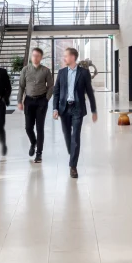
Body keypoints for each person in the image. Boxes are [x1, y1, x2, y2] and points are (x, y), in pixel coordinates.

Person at [52, 48, 97, 179]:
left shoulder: (84, 73)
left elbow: (89, 91)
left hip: (78, 108)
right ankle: (73, 153)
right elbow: (56, 92)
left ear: (72, 57)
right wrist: (55, 109)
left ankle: (73, 166)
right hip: (64, 108)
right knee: (67, 136)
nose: (64, 58)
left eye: (65, 56)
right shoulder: (61, 73)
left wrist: (94, 110)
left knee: (75, 136)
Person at [17, 47, 53, 163]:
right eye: (33, 55)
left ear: (41, 57)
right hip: (29, 101)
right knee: (28, 127)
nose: (35, 57)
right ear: (31, 57)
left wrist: (46, 99)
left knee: (40, 128)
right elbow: (21, 86)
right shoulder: (25, 70)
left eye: (37, 56)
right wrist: (19, 101)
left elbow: (51, 86)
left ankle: (39, 154)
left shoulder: (46, 71)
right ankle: (33, 142)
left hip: (41, 102)